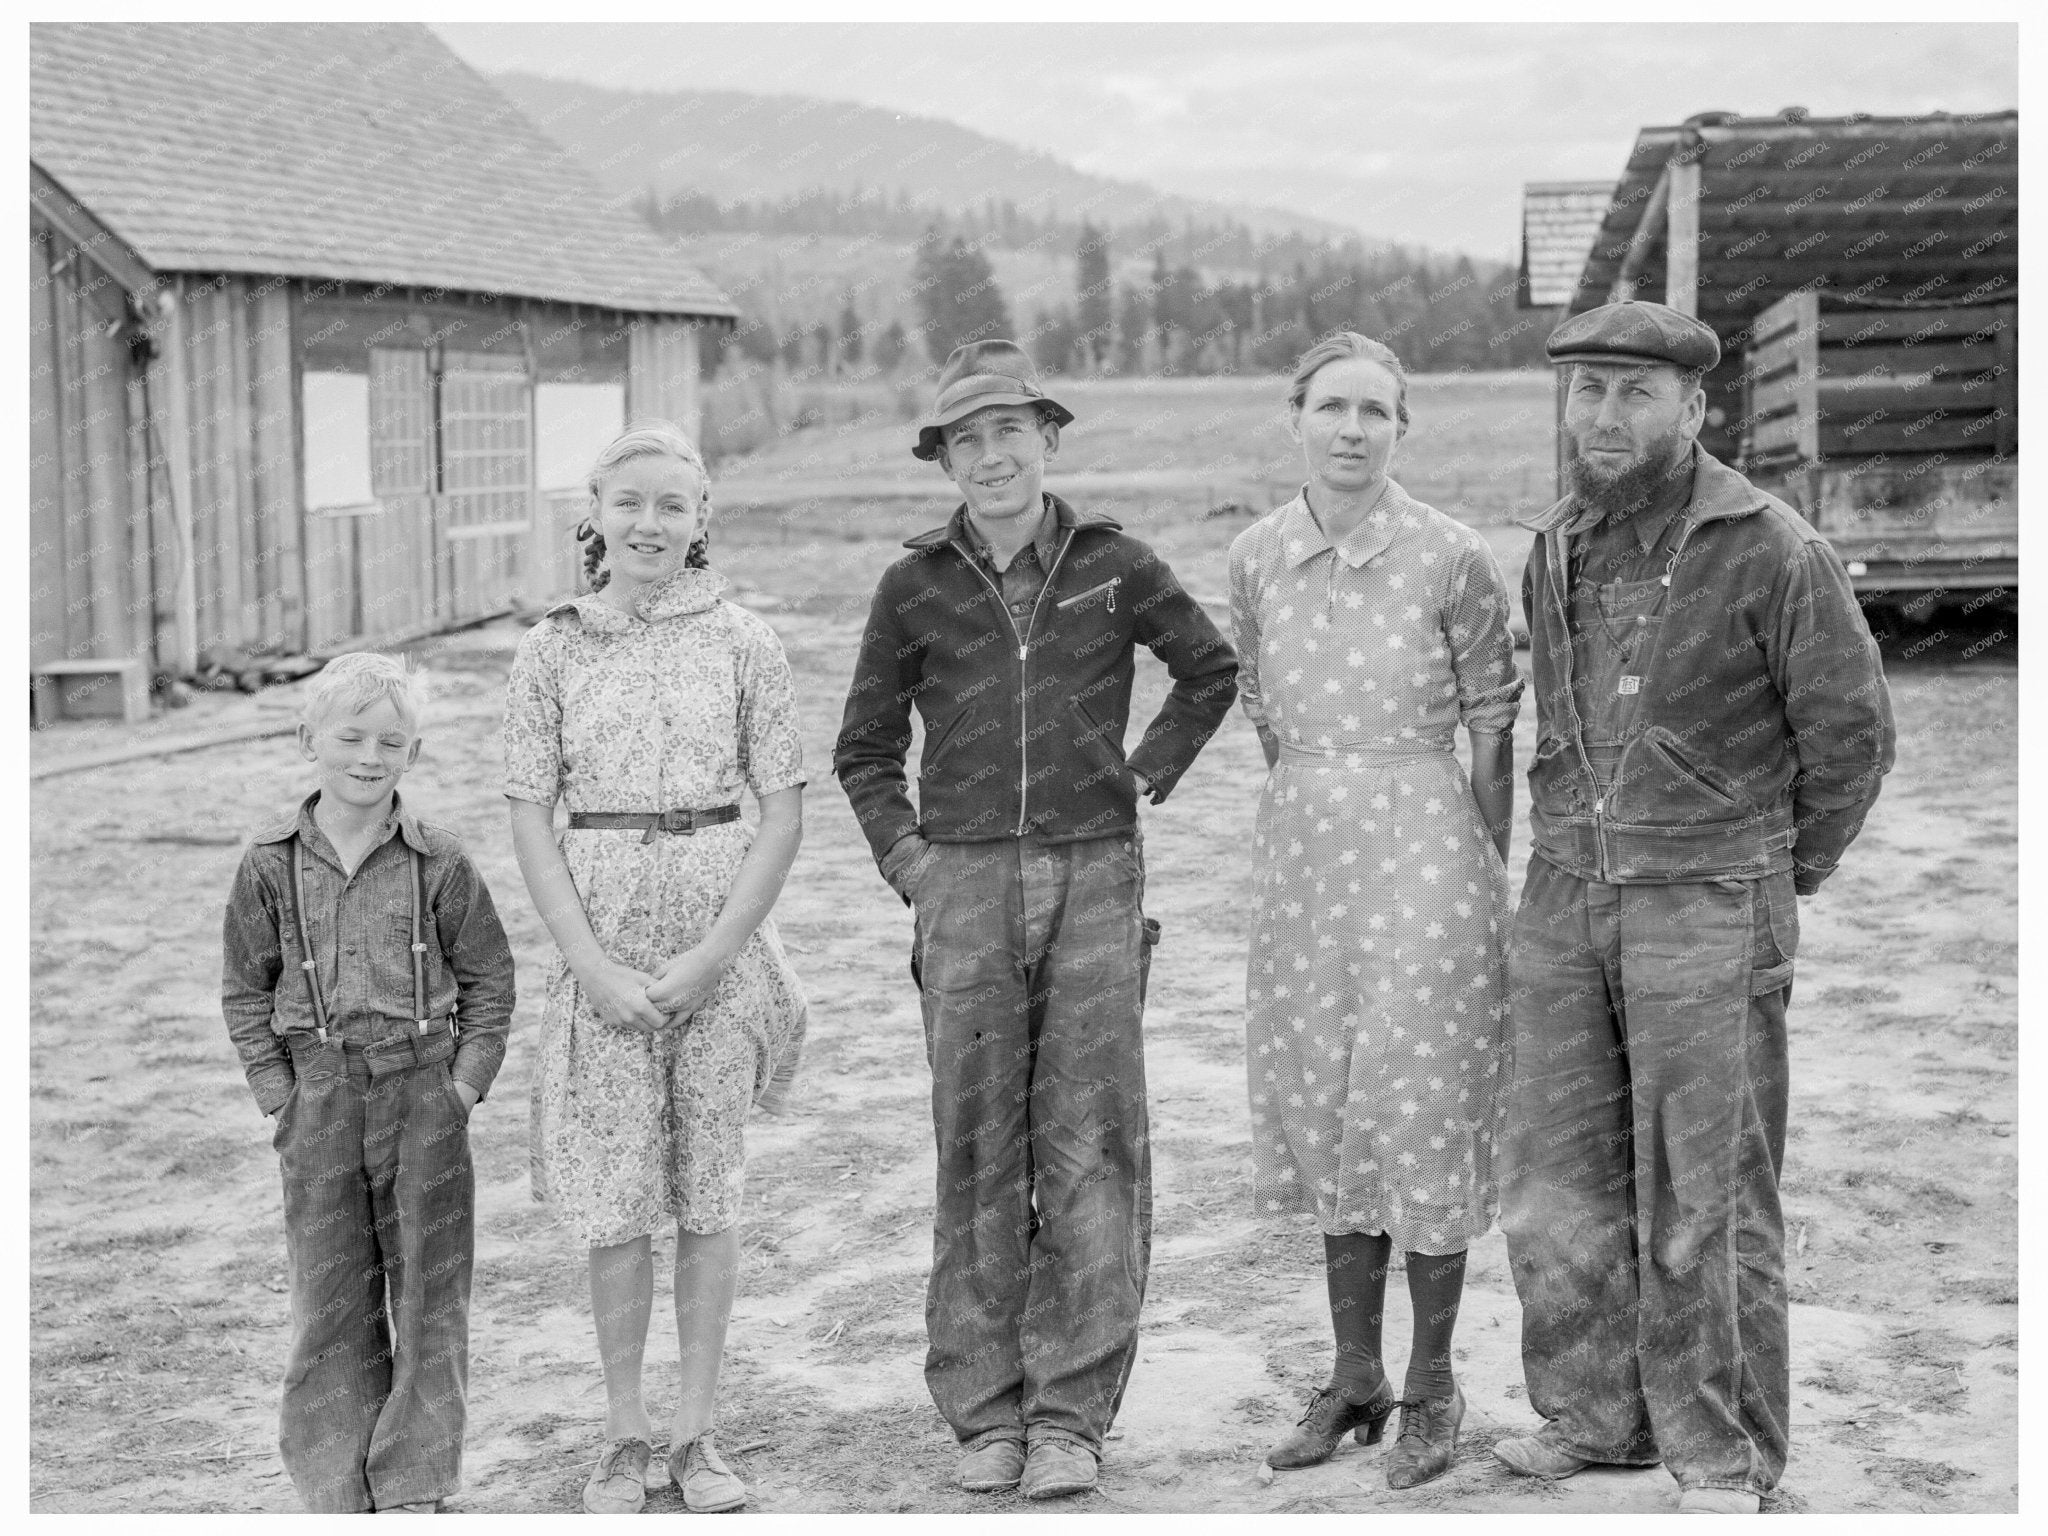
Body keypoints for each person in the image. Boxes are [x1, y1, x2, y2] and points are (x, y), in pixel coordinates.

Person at [1493, 300, 1896, 1514]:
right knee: (1557, 1183)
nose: (1603, 415)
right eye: (1586, 392)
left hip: (1708, 904)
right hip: (1563, 893)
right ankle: (1596, 1416)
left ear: (1693, 407)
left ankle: (1723, 1454)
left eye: (1633, 391)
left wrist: (1771, 871)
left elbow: (1851, 739)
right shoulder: (1555, 542)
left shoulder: (1768, 546)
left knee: (1703, 1194)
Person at [834, 339, 1238, 1500]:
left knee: (1090, 1144)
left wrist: (1144, 772)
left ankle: (1069, 1414)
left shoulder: (1113, 563)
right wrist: (909, 862)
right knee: (975, 1146)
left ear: (1046, 440)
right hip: (961, 886)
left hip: (1096, 877)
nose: (992, 456)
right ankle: (982, 1414)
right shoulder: (912, 585)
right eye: (967, 440)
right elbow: (862, 748)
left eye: (1010, 432)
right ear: (945, 461)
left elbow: (1208, 670)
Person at [1227, 332, 1521, 1488]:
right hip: (1304, 851)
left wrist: (1485, 863)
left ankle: (1435, 1382)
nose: (1352, 430)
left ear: (1402, 429)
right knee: (1327, 1095)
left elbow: (1492, 719)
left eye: (1375, 413)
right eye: (1332, 408)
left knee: (1420, 1096)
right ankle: (1354, 1377)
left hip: (1427, 848)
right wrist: (1318, 794)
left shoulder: (1449, 554)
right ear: (1294, 417)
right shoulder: (1255, 555)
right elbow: (1260, 704)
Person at [502, 421, 808, 1515]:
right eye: (627, 503)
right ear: (594, 513)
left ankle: (697, 1434)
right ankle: (624, 1433)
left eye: (670, 506)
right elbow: (530, 816)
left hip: (714, 958)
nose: (648, 524)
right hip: (603, 963)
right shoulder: (552, 650)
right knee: (617, 1202)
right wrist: (587, 963)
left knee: (707, 1195)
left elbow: (779, 814)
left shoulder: (745, 644)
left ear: (700, 521)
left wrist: (715, 951)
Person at [220, 651, 516, 1513]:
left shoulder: (442, 862)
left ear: (413, 755)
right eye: (349, 736)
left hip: (423, 1091)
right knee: (329, 1291)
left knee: (429, 1289)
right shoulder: (269, 865)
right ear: (307, 738)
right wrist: (279, 1093)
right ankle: (334, 1479)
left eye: (392, 741)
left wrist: (462, 1087)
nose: (368, 755)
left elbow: (492, 982)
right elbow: (244, 987)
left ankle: (415, 1476)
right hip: (316, 1097)